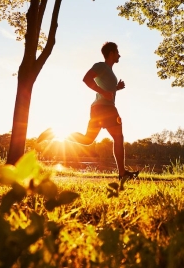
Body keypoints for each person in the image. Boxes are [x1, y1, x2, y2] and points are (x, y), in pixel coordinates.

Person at [38, 42, 139, 181]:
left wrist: (117, 88)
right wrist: (104, 92)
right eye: (117, 52)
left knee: (87, 140)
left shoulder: (109, 71)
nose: (119, 55)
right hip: (106, 108)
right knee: (118, 137)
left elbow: (108, 90)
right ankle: (122, 174)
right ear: (111, 53)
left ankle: (53, 134)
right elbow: (86, 79)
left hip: (99, 108)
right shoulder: (101, 66)